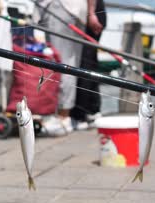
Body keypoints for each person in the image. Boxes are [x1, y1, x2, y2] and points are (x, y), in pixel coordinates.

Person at [35, 0, 103, 136]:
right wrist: (90, 13)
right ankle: (63, 115)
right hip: (77, 11)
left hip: (60, 7)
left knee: (61, 64)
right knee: (70, 64)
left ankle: (62, 117)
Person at [71, 0, 106, 130]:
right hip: (95, 11)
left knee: (84, 64)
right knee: (90, 62)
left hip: (91, 13)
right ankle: (93, 110)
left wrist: (91, 13)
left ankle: (80, 114)